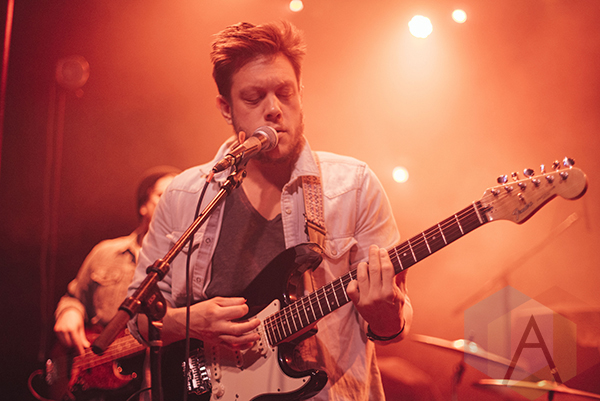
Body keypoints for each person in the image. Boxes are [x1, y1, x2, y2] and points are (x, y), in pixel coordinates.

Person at [128, 21, 412, 400]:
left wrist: (385, 313)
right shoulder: (183, 195)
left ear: (300, 95)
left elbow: (392, 329)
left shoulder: (354, 186)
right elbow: (136, 318)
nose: (274, 109)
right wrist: (190, 323)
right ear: (226, 108)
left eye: (285, 93)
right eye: (253, 98)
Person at [52, 166, 179, 399]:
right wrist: (69, 312)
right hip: (97, 388)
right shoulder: (105, 253)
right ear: (143, 205)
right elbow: (74, 298)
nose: (170, 203)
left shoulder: (188, 262)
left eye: (177, 197)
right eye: (163, 195)